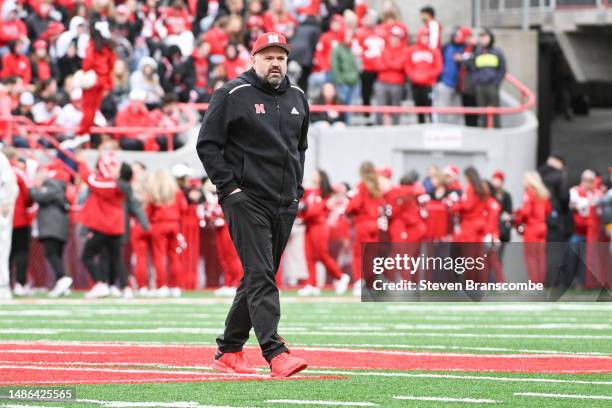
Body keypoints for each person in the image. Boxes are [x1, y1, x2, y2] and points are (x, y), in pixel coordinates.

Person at [197, 32, 309, 377]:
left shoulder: (299, 96)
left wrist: (297, 190)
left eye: (281, 57)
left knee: (257, 275)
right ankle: (275, 352)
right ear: (253, 59)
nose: (275, 63)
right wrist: (229, 189)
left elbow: (299, 147)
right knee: (261, 274)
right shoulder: (232, 94)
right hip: (246, 199)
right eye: (268, 57)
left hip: (284, 201)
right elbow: (207, 144)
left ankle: (228, 350)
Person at [77, 151, 125, 299]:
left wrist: (82, 162)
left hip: (104, 226)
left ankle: (100, 284)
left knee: (87, 255)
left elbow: (90, 179)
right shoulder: (118, 183)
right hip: (114, 227)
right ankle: (123, 287)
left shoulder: (110, 184)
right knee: (115, 258)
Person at [298, 169, 350, 296]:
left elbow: (316, 211)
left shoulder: (325, 193)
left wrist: (304, 211)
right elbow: (302, 203)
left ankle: (341, 276)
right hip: (309, 226)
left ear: (321, 177)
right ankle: (312, 284)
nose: (312, 176)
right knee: (308, 255)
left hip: (319, 227)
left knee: (322, 254)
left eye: (315, 174)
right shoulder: (310, 192)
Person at [29, 162, 73, 298]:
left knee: (51, 253)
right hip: (59, 226)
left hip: (51, 226)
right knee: (56, 255)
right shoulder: (59, 187)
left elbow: (39, 197)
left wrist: (33, 188)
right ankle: (61, 284)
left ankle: (62, 278)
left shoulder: (51, 185)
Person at [345, 161, 385, 295]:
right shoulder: (378, 186)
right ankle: (372, 282)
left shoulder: (361, 186)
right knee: (372, 255)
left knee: (359, 255)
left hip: (363, 224)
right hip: (376, 224)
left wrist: (348, 208)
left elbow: (354, 205)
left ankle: (359, 282)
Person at [147, 169, 187, 298]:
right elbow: (184, 208)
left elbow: (148, 211)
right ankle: (176, 287)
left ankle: (162, 286)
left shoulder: (153, 191)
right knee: (174, 257)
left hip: (159, 225)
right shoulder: (176, 191)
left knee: (159, 257)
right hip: (174, 224)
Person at [77, 19, 117, 137]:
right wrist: (108, 83)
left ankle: (83, 132)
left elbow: (87, 62)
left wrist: (84, 72)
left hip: (92, 79)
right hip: (102, 80)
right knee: (94, 108)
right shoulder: (108, 47)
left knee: (87, 107)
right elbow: (111, 66)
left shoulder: (93, 44)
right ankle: (86, 132)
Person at [513, 172, 551, 284]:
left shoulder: (529, 193)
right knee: (540, 256)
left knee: (530, 256)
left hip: (532, 227)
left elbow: (526, 212)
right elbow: (548, 210)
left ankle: (534, 283)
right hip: (542, 226)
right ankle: (541, 282)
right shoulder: (543, 194)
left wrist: (517, 218)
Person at [404, 27, 443, 124]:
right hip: (416, 84)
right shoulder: (411, 50)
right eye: (423, 36)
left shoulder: (434, 51)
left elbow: (438, 67)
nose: (425, 39)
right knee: (419, 109)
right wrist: (414, 76)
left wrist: (426, 76)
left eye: (427, 36)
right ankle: (420, 126)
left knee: (430, 109)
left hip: (429, 85)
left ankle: (433, 128)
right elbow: (407, 65)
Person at [471, 29, 506, 128]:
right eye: (482, 37)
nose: (483, 39)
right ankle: (483, 131)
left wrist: (496, 82)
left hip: (492, 85)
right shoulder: (478, 52)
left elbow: (502, 69)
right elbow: (473, 68)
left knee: (495, 111)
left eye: (486, 37)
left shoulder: (497, 52)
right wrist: (476, 80)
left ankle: (496, 131)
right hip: (480, 86)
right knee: (482, 112)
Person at [0, 149, 18, 300]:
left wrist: (5, 202)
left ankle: (2, 286)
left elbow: (9, 186)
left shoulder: (2, 161)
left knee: (2, 248)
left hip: (1, 212)